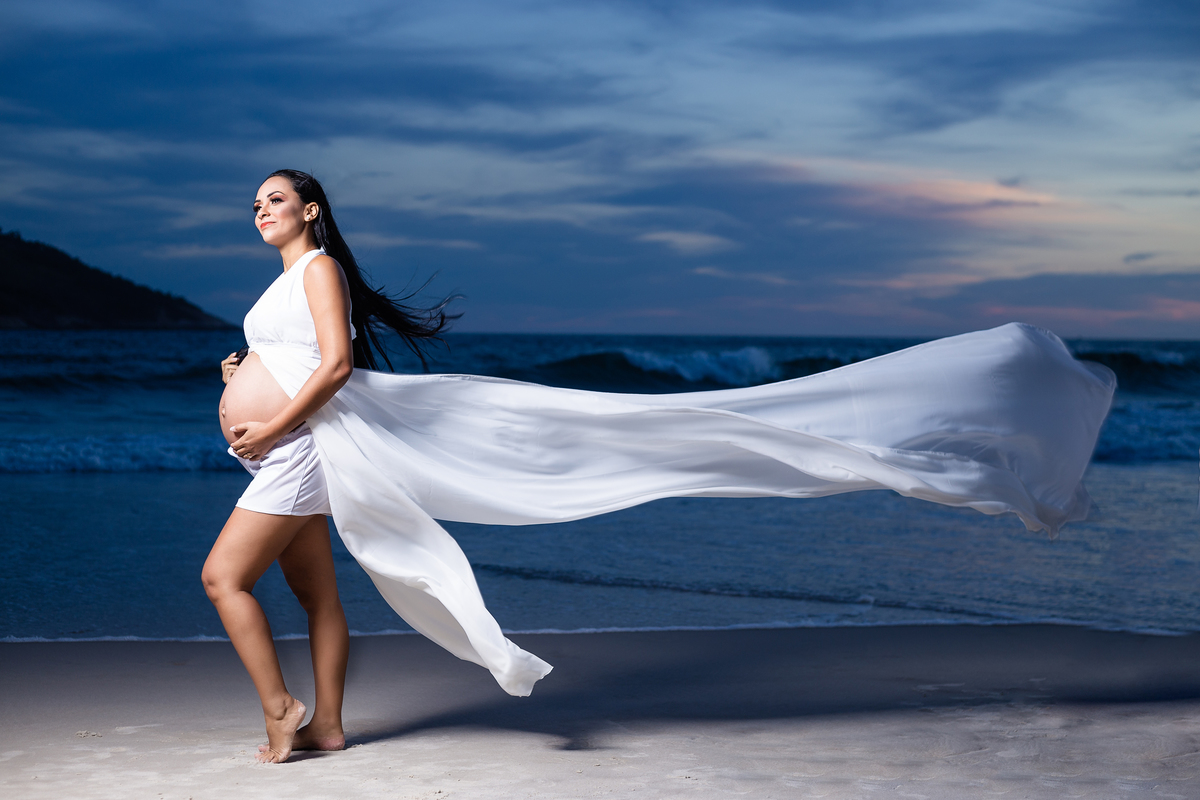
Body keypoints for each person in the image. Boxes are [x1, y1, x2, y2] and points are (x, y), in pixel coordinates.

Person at [206, 169, 1116, 764]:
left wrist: (267, 418)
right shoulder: (282, 282)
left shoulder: (318, 268)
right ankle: (327, 723)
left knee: (223, 578)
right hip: (291, 448)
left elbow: (333, 369)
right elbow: (301, 361)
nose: (263, 210)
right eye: (256, 203)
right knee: (318, 596)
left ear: (312, 210)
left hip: (297, 448)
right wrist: (242, 378)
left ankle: (284, 711)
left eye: (276, 200)